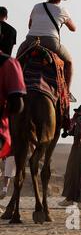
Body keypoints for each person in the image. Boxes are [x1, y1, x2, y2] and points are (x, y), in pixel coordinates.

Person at [16, 0, 76, 98]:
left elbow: (30, 26)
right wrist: (62, 21)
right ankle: (66, 93)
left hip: (31, 40)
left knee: (16, 61)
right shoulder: (62, 10)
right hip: (51, 42)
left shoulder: (37, 6)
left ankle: (12, 87)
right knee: (69, 63)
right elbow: (73, 28)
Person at [0, 51, 26, 201]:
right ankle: (64, 114)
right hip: (4, 133)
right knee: (68, 64)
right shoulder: (8, 63)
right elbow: (17, 105)